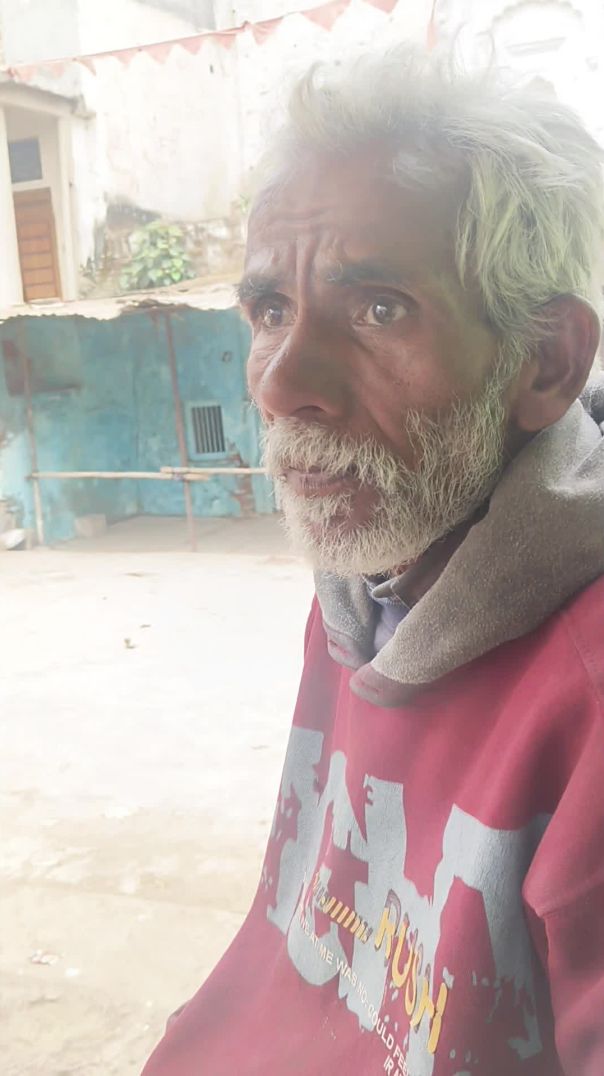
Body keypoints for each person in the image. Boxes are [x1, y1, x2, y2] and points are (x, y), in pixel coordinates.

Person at [143, 48, 604, 1076]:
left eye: (379, 307)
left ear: (543, 361)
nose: (280, 385)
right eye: (269, 310)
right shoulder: (363, 581)